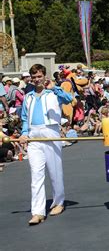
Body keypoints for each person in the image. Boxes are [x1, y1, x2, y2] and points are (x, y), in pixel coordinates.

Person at [18, 64, 73, 225]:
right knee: (36, 174)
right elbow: (24, 118)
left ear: (44, 76)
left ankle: (58, 202)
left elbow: (69, 99)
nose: (36, 79)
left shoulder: (53, 93)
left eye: (39, 76)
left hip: (51, 132)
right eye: (34, 77)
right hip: (34, 136)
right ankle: (38, 211)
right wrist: (23, 133)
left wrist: (54, 87)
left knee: (55, 171)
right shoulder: (28, 96)